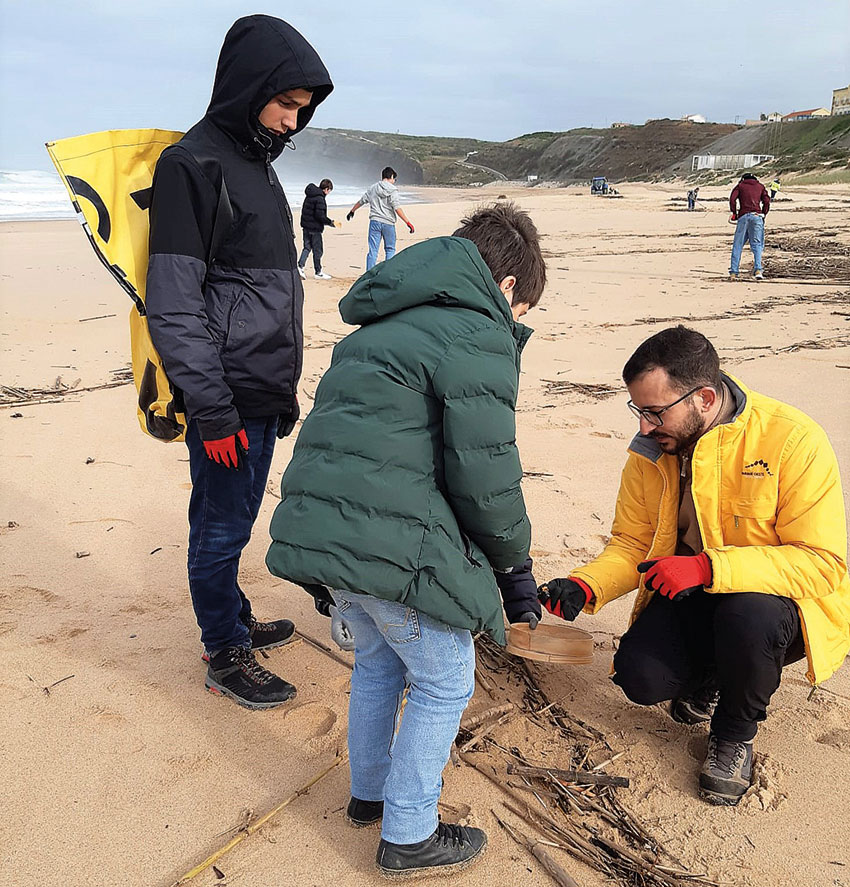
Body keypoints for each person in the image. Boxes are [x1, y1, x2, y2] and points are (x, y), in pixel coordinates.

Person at [266, 202, 547, 877]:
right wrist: (515, 568)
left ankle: (369, 796)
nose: (515, 321)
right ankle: (409, 833)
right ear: (507, 287)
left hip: (329, 534)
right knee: (445, 679)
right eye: (522, 307)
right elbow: (485, 474)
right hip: (385, 544)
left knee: (380, 665)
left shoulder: (381, 321)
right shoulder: (475, 330)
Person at [540, 326, 850, 807]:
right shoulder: (653, 450)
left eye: (654, 412)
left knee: (749, 615)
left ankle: (733, 736)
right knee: (640, 678)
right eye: (637, 411)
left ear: (704, 398)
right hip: (688, 593)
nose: (643, 426)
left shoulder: (793, 439)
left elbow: (823, 564)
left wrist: (708, 568)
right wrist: (586, 585)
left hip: (772, 610)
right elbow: (632, 543)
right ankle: (711, 679)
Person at [145, 15, 333, 709]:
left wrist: (278, 391)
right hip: (225, 397)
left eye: (301, 112)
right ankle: (224, 648)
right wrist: (214, 406)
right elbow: (173, 301)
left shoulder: (256, 166)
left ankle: (234, 615)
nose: (291, 123)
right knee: (220, 525)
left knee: (239, 518)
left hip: (261, 390)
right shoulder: (191, 165)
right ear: (248, 86)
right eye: (284, 104)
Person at [346, 166, 415, 269]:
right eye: (394, 179)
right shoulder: (393, 190)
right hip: (388, 223)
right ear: (391, 177)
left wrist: (352, 211)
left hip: (375, 222)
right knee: (390, 249)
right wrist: (408, 222)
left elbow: (362, 201)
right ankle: (387, 273)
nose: (394, 181)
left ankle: (369, 274)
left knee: (373, 250)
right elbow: (397, 207)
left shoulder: (373, 188)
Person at [728, 172, 770, 281]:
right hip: (756, 216)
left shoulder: (740, 186)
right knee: (757, 245)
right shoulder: (760, 186)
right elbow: (766, 200)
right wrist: (764, 213)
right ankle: (758, 270)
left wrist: (734, 213)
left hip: (743, 216)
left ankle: (733, 272)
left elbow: (732, 199)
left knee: (738, 245)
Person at [298, 178, 340, 280]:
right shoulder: (320, 198)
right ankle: (318, 272)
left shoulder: (309, 195)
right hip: (315, 229)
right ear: (326, 189)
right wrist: (331, 222)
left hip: (306, 226)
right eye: (329, 191)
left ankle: (300, 266)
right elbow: (320, 216)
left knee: (307, 248)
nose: (329, 193)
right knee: (318, 251)